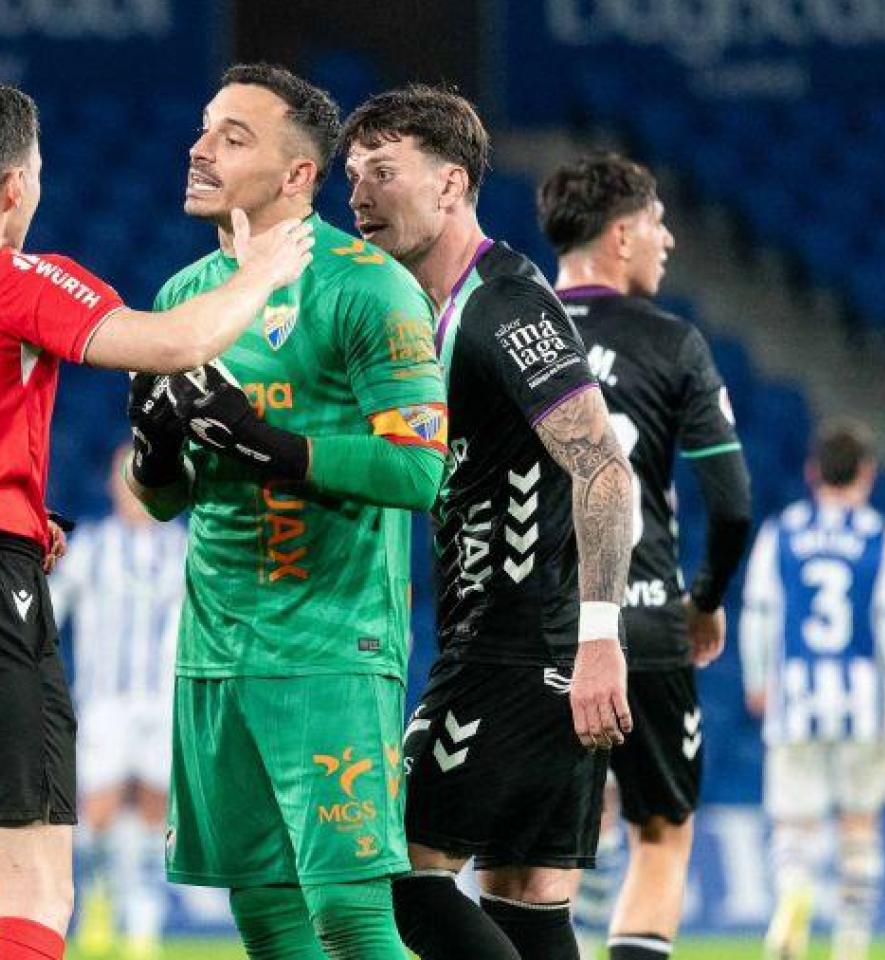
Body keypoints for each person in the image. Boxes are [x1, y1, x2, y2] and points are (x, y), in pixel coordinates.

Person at [0, 82, 312, 960]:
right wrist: (263, 272)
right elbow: (174, 344)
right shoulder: (15, 278)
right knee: (34, 893)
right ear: (15, 185)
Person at [127, 63, 448, 960]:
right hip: (218, 649)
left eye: (234, 139)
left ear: (299, 175)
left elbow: (421, 472)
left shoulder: (368, 288)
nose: (200, 150)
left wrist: (275, 446)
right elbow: (164, 501)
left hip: (329, 649)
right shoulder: (184, 297)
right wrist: (156, 451)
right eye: (204, 130)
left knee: (349, 915)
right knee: (264, 915)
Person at [340, 85, 635, 960]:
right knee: (526, 896)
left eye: (383, 171)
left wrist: (597, 639)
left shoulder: (503, 303)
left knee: (394, 875)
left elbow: (601, 464)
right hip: (523, 648)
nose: (358, 194)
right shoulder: (425, 313)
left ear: (452, 185)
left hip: (514, 648)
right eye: (351, 173)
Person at [539, 153, 754, 960]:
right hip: (644, 619)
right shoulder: (672, 342)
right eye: (658, 223)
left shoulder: (508, 331)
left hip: (534, 629)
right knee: (660, 837)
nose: (667, 240)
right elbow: (730, 503)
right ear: (622, 234)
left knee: (531, 857)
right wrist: (705, 599)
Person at [740, 419, 885, 960]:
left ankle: (795, 894)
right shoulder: (883, 536)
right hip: (864, 707)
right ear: (867, 475)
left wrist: (758, 679)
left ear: (811, 473)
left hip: (797, 700)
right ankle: (850, 945)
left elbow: (758, 613)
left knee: (794, 829)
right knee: (859, 829)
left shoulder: (780, 534)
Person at [50, 445, 188, 960]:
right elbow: (53, 610)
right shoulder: (93, 546)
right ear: (113, 485)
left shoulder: (185, 548)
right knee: (99, 812)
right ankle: (96, 900)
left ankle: (142, 927)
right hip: (104, 701)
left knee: (154, 815)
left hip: (162, 703)